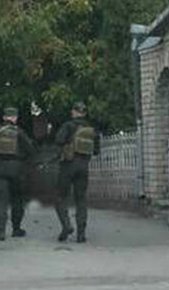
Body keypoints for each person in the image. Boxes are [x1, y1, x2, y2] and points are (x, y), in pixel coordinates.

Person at [0, 107, 36, 241]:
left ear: (4, 117)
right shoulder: (19, 132)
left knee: (0, 201)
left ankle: (1, 231)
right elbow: (30, 150)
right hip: (16, 168)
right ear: (15, 118)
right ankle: (16, 229)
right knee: (17, 199)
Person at [53, 101, 99, 243]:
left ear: (73, 112)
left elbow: (58, 140)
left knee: (61, 197)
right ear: (84, 113)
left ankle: (66, 226)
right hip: (83, 166)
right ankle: (81, 234)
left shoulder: (68, 125)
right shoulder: (91, 129)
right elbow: (96, 150)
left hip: (68, 165)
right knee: (81, 200)